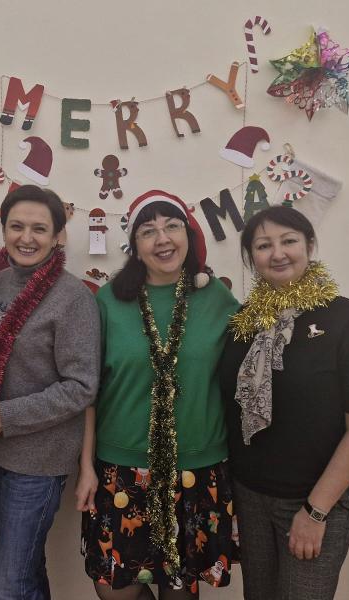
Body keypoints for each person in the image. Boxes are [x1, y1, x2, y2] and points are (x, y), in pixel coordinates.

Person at [77, 190, 240, 600]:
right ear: (135, 246)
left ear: (188, 235)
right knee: (115, 589)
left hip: (196, 468)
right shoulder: (109, 300)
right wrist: (86, 466)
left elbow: (247, 375)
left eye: (172, 226)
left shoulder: (217, 298)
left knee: (180, 590)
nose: (162, 238)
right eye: (148, 230)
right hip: (122, 467)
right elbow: (89, 390)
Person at [219, 206, 349, 600]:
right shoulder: (244, 322)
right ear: (251, 257)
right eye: (264, 245)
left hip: (314, 500)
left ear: (309, 245)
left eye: (289, 241)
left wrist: (315, 512)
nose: (277, 253)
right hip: (250, 496)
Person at [0, 184, 101, 600]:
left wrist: (5, 416)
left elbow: (81, 387)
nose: (26, 238)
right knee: (25, 570)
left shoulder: (73, 297)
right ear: (4, 230)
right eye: (17, 226)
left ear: (58, 235)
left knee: (9, 584)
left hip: (39, 462)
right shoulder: (1, 282)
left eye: (39, 229)